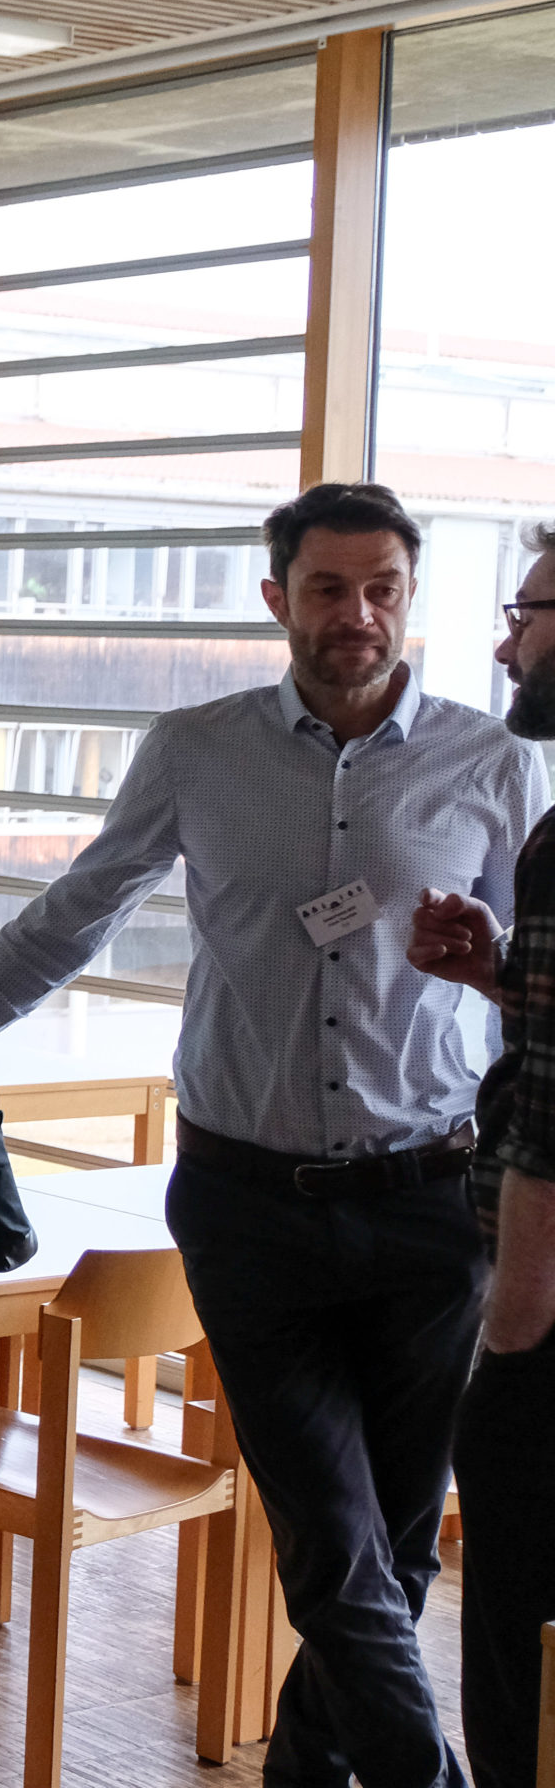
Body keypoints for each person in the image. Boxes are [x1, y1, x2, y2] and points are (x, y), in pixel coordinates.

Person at [0, 480, 543, 1788]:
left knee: (398, 1549)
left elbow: (519, 986)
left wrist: (487, 969)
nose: (357, 616)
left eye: (381, 589)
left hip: (432, 1207)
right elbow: (72, 918)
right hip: (247, 1209)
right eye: (328, 589)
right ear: (278, 601)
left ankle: (303, 1773)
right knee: (333, 1546)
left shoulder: (489, 762)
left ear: (409, 600)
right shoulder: (198, 750)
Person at [409, 522, 555, 1788]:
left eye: (527, 611)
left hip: (545, 1300)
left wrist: (516, 1302)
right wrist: (500, 977)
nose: (506, 642)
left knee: (513, 1620)